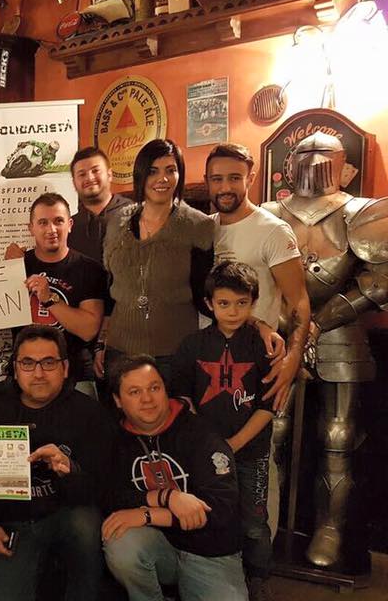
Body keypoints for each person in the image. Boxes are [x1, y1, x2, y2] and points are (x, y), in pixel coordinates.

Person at [263, 132, 388, 568]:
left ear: (345, 166)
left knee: (337, 436)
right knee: (271, 429)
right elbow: (253, 277)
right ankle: (266, 521)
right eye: (306, 154)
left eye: (323, 155)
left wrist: (321, 321)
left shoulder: (363, 213)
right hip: (279, 332)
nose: (314, 163)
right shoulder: (269, 213)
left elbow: (379, 282)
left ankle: (329, 527)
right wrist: (290, 322)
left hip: (340, 333)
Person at [103, 355, 255, 601]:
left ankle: (204, 594)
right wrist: (166, 497)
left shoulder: (200, 433)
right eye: (134, 392)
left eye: (154, 388)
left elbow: (221, 510)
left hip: (210, 553)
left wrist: (149, 512)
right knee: (119, 536)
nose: (147, 399)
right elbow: (110, 494)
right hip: (161, 546)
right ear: (117, 400)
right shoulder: (114, 438)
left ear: (165, 389)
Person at [0, 325, 114, 601]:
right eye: (28, 363)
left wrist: (69, 471)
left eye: (48, 363)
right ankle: (42, 567)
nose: (38, 373)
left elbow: (102, 489)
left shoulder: (89, 412)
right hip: (16, 521)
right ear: (15, 368)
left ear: (65, 367)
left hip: (67, 513)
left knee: (85, 523)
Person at [169, 262, 276, 601]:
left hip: (251, 451)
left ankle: (259, 579)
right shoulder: (193, 345)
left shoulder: (263, 347)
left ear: (253, 303)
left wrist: (234, 444)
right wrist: (210, 443)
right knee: (213, 514)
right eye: (224, 303)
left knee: (254, 520)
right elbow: (182, 397)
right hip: (205, 454)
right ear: (209, 304)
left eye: (242, 303)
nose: (233, 311)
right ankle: (212, 581)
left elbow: (269, 406)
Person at [98, 139, 217, 383]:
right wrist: (101, 343)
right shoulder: (116, 222)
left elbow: (204, 294)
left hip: (174, 354)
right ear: (140, 174)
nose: (162, 179)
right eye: (153, 171)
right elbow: (109, 289)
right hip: (119, 351)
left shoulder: (198, 226)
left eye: (170, 170)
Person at [206, 142, 310, 411]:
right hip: (207, 359)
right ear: (207, 181)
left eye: (234, 178)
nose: (225, 187)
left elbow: (298, 301)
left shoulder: (273, 230)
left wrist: (293, 360)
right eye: (217, 179)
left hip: (254, 358)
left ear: (250, 179)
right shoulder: (204, 228)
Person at [7, 192, 109, 393]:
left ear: (70, 225)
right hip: (25, 373)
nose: (51, 229)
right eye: (43, 222)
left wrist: (49, 299)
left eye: (58, 221)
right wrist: (8, 269)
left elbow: (88, 330)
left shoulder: (89, 269)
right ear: (31, 228)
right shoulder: (17, 265)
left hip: (75, 375)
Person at [68, 147, 133, 264]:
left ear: (109, 175)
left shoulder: (134, 214)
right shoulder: (69, 228)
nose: (89, 178)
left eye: (95, 171)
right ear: (74, 182)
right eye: (82, 174)